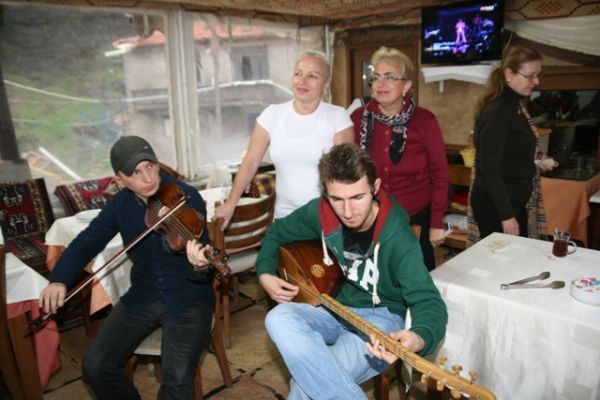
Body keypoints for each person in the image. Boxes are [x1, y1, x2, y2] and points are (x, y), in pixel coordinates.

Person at [257, 143, 447, 399]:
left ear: (375, 188)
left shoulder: (398, 237)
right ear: (326, 194)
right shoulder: (320, 211)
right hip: (333, 309)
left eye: (357, 197)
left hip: (381, 319)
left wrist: (418, 338)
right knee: (278, 317)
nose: (348, 212)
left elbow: (429, 301)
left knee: (304, 389)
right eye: (337, 199)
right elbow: (277, 232)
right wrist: (265, 273)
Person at [39, 136, 215, 400]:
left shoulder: (186, 197)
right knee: (96, 366)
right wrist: (59, 279)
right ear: (119, 181)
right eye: (135, 173)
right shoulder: (119, 205)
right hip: (143, 296)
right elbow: (85, 243)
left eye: (150, 166)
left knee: (177, 380)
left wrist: (200, 267)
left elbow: (204, 272)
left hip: (189, 297)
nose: (149, 178)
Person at [215, 50, 354, 226]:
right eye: (298, 73)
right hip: (285, 217)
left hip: (326, 217)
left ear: (327, 83)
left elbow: (347, 174)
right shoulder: (272, 115)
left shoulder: (337, 117)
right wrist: (230, 204)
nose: (302, 81)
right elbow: (250, 161)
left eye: (312, 76)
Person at [350, 47, 448, 271]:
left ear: (406, 85)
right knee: (374, 279)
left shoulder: (425, 121)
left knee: (416, 278)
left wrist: (436, 222)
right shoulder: (357, 118)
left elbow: (440, 174)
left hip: (414, 218)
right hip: (369, 218)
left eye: (390, 77)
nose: (381, 83)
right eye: (376, 77)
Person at [470, 45, 557, 240]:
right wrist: (507, 216)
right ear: (509, 74)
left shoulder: (515, 106)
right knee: (502, 257)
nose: (536, 81)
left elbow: (511, 155)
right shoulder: (497, 112)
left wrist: (537, 162)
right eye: (530, 76)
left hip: (511, 203)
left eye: (538, 75)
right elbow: (489, 169)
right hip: (496, 206)